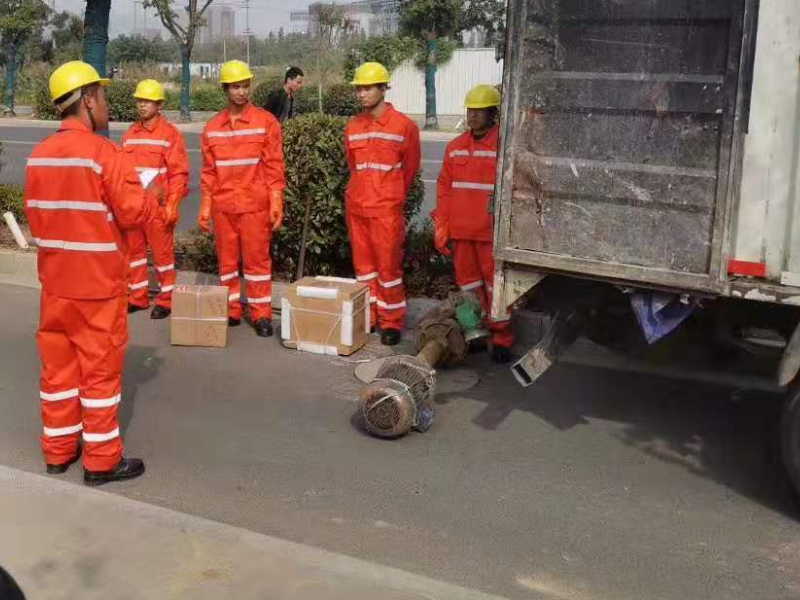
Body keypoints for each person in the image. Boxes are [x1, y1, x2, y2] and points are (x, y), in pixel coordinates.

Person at [24, 61, 158, 485]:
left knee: (58, 371)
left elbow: (40, 218)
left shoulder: (39, 156)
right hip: (98, 288)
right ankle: (101, 462)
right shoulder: (105, 154)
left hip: (56, 286)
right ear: (87, 100)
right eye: (101, 95)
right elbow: (134, 213)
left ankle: (58, 450)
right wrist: (151, 193)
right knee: (99, 375)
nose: (106, 103)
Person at [199, 60, 286, 337]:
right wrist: (205, 205)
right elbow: (209, 171)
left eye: (245, 85)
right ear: (225, 89)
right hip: (224, 206)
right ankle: (231, 309)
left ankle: (260, 314)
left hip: (254, 206)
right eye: (235, 86)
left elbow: (274, 165)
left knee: (257, 262)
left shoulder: (265, 122)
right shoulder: (212, 127)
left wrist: (276, 200)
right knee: (226, 262)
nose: (241, 92)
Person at [433, 84, 514, 363]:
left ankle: (502, 338)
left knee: (496, 287)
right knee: (469, 286)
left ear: (493, 114)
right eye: (471, 111)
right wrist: (442, 226)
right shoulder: (455, 148)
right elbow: (444, 189)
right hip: (462, 232)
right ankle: (475, 332)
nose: (473, 117)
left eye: (480, 111)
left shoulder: (504, 147)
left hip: (491, 234)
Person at [344, 62, 421, 346]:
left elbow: (410, 170)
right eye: (359, 89)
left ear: (383, 88)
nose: (361, 94)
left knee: (389, 270)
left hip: (386, 210)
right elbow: (354, 166)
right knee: (364, 269)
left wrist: (391, 196)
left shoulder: (404, 127)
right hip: (358, 207)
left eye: (367, 88)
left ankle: (391, 321)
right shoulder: (352, 126)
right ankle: (371, 317)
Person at [123, 79, 189, 319]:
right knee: (135, 254)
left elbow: (179, 172)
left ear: (159, 104)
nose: (142, 105)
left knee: (163, 255)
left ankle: (166, 299)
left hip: (157, 207)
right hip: (134, 205)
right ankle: (137, 297)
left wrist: (172, 204)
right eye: (140, 100)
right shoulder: (131, 133)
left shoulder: (170, 134)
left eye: (148, 101)